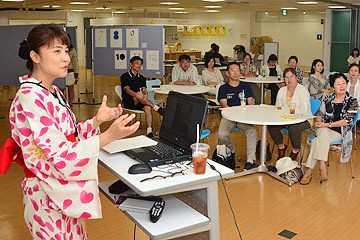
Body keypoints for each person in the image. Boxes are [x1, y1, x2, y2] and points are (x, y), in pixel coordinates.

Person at [5, 24, 140, 239]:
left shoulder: (51, 91)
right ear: (35, 56)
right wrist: (108, 136)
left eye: (66, 50)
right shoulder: (30, 96)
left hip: (60, 190)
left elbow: (68, 137)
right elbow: (60, 154)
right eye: (56, 51)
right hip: (46, 191)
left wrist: (97, 121)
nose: (66, 58)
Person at [300, 73, 358, 185]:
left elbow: (346, 121)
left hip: (341, 132)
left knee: (319, 139)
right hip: (324, 130)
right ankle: (321, 167)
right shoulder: (328, 98)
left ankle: (310, 170)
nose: (342, 86)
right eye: (338, 84)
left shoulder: (352, 101)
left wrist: (326, 125)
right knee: (322, 134)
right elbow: (320, 114)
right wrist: (318, 120)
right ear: (333, 87)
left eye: (344, 83)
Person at [218, 62, 257, 170]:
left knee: (252, 131)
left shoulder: (246, 86)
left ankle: (250, 160)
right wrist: (233, 114)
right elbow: (224, 105)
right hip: (229, 116)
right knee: (222, 134)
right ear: (227, 73)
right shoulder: (223, 88)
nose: (236, 73)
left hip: (243, 116)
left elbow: (250, 103)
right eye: (233, 70)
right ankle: (231, 150)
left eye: (238, 70)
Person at [268, 68, 312, 161]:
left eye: (291, 77)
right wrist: (285, 115)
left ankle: (295, 150)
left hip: (303, 119)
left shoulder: (303, 90)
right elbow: (278, 107)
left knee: (294, 128)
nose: (289, 79)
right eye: (286, 77)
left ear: (296, 78)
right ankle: (281, 147)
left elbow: (304, 110)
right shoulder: (281, 91)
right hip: (285, 119)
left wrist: (288, 114)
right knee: (272, 126)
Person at [121, 56, 164, 137]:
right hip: (128, 101)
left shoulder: (142, 78)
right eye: (136, 63)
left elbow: (144, 89)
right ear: (131, 64)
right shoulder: (125, 76)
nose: (138, 66)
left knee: (147, 107)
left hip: (139, 101)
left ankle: (149, 131)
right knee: (138, 94)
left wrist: (145, 94)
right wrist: (138, 95)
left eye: (140, 64)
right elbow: (127, 90)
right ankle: (157, 108)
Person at [64, 33, 78, 107]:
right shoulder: (59, 49)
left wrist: (76, 73)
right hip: (61, 71)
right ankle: (62, 103)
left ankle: (70, 103)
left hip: (70, 71)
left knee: (70, 88)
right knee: (61, 88)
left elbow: (75, 62)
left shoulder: (72, 50)